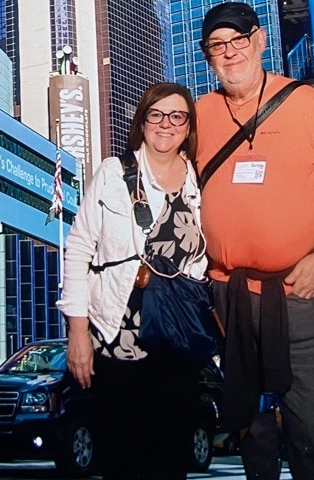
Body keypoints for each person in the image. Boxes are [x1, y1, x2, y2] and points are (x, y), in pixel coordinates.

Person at [195, 1, 314, 480]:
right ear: (207, 55)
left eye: (238, 40)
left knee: (308, 431)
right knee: (250, 429)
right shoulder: (201, 114)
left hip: (295, 290)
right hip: (227, 293)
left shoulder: (307, 103)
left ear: (259, 41)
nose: (230, 52)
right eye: (217, 45)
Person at [58, 82, 207, 480]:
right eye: (156, 114)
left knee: (171, 460)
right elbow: (78, 250)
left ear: (188, 127)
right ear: (142, 122)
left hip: (177, 338)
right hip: (116, 335)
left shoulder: (199, 181)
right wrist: (77, 334)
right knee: (120, 458)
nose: (166, 124)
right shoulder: (113, 172)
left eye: (177, 116)